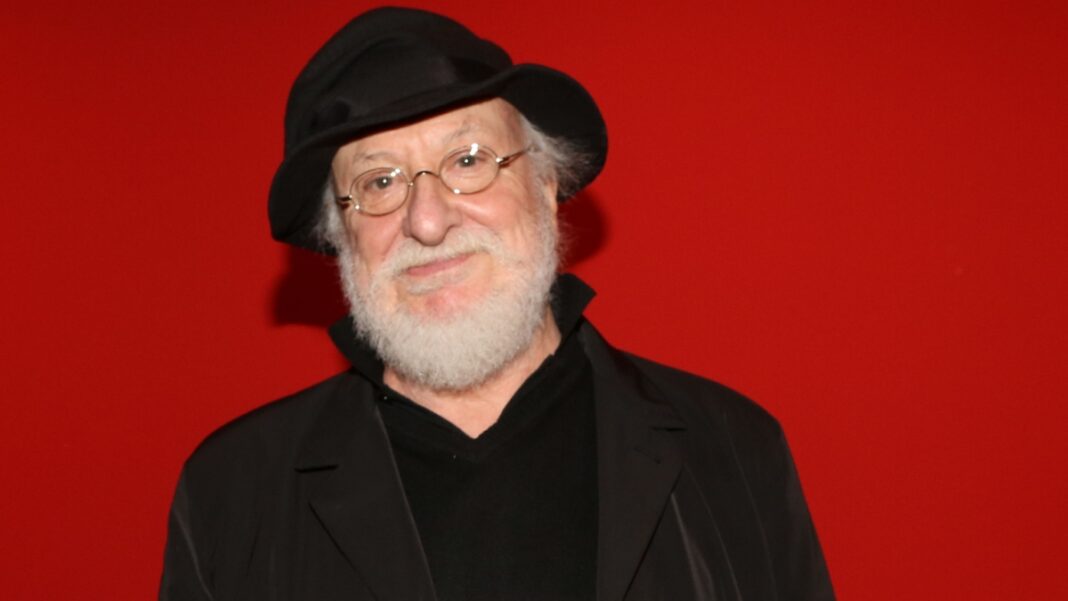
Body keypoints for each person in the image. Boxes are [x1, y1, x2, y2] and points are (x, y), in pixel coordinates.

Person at [160, 7, 834, 601]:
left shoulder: (733, 450)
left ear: (545, 185)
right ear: (341, 235)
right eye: (380, 182)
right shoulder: (233, 491)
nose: (428, 221)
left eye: (468, 160)